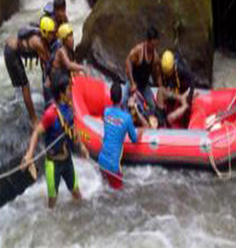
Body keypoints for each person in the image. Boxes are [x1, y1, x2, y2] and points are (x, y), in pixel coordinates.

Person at [20, 72, 90, 209]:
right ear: (62, 94)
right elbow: (36, 133)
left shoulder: (69, 108)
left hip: (67, 161)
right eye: (69, 89)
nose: (71, 91)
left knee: (77, 194)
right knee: (52, 203)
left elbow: (73, 128)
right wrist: (29, 155)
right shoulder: (51, 113)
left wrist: (81, 147)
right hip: (54, 164)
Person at [3, 16, 56, 124]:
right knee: (25, 86)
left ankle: (22, 106)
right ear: (45, 33)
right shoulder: (38, 42)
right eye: (51, 33)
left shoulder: (42, 38)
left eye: (53, 32)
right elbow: (49, 65)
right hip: (11, 53)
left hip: (15, 50)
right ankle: (34, 120)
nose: (53, 35)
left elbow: (45, 65)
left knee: (25, 85)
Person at [98, 81, 140, 190]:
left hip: (101, 160)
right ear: (121, 98)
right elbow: (134, 139)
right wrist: (141, 132)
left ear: (110, 97)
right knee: (119, 194)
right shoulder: (127, 118)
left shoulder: (106, 111)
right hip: (113, 166)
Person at [124, 26, 162, 111]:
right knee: (124, 100)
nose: (153, 47)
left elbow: (157, 74)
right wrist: (132, 82)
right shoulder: (139, 50)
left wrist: (161, 87)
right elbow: (128, 62)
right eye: (152, 45)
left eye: (155, 45)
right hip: (133, 82)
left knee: (153, 106)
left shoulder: (155, 57)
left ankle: (146, 119)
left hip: (144, 85)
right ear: (148, 41)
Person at [156, 50, 194, 127]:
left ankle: (182, 126)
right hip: (174, 88)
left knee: (179, 112)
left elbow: (192, 82)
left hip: (184, 90)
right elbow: (163, 82)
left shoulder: (182, 69)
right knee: (161, 91)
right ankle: (161, 120)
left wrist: (188, 99)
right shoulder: (162, 67)